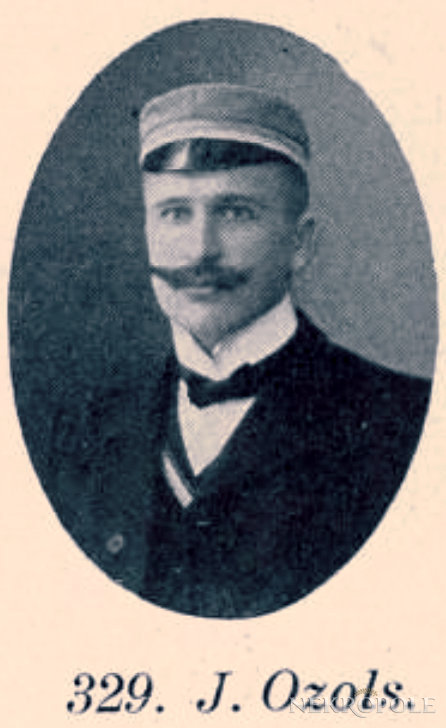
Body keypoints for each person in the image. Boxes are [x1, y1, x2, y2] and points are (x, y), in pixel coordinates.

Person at [49, 83, 431, 618]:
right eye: (174, 214)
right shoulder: (85, 431)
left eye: (235, 213)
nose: (200, 250)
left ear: (300, 244)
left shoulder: (405, 423)